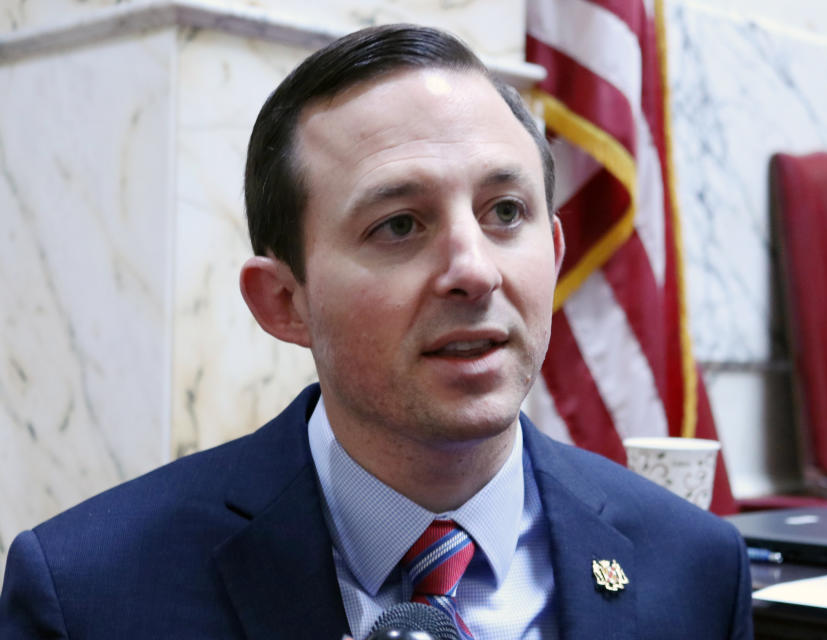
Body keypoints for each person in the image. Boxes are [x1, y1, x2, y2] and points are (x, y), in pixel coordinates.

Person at [0, 24, 753, 639]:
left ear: (554, 257)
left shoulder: (694, 569)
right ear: (283, 302)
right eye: (399, 224)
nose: (476, 271)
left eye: (505, 213)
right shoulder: (89, 594)